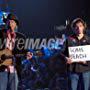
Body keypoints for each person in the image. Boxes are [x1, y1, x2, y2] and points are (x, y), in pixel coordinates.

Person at [0, 13, 26, 90]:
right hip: (1, 69)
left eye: (12, 22)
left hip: (14, 70)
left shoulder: (21, 37)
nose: (9, 23)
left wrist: (27, 53)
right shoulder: (0, 34)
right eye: (8, 22)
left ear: (16, 25)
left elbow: (22, 51)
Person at [64, 18, 90, 90]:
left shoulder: (88, 40)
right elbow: (63, 53)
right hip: (73, 70)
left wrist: (86, 61)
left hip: (86, 70)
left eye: (80, 26)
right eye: (76, 26)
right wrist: (66, 58)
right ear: (73, 28)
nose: (79, 28)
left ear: (84, 27)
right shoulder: (69, 40)